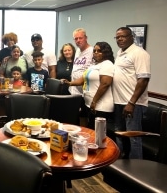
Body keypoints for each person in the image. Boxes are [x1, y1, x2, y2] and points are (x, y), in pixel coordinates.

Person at [113, 27, 150, 159]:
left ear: (132, 37)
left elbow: (143, 80)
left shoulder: (139, 53)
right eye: (117, 37)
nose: (120, 39)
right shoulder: (119, 53)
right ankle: (119, 163)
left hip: (133, 104)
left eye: (123, 36)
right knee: (119, 133)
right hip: (119, 101)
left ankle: (136, 168)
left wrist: (131, 102)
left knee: (133, 137)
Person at [64, 42, 114, 129]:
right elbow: (83, 79)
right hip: (90, 104)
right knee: (91, 130)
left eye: (99, 51)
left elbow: (105, 84)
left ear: (106, 52)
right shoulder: (94, 65)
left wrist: (94, 101)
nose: (96, 53)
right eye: (94, 51)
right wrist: (69, 83)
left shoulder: (107, 64)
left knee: (98, 133)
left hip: (101, 106)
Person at [69, 28, 93, 95]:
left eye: (80, 38)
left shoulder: (92, 51)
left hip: (84, 92)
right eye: (76, 39)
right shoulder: (78, 50)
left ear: (86, 38)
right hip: (74, 90)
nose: (78, 40)